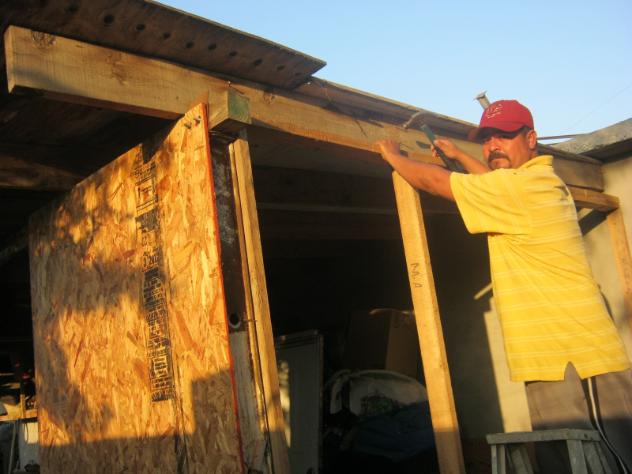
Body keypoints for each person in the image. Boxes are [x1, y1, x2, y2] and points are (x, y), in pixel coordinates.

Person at [375, 100, 632, 473]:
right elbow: (492, 182)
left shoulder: (526, 187)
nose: (493, 145)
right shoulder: (532, 183)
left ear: (531, 139)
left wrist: (393, 155)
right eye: (487, 138)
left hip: (577, 360)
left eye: (505, 136)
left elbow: (434, 181)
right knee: (565, 463)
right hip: (552, 360)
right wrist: (459, 155)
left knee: (607, 464)